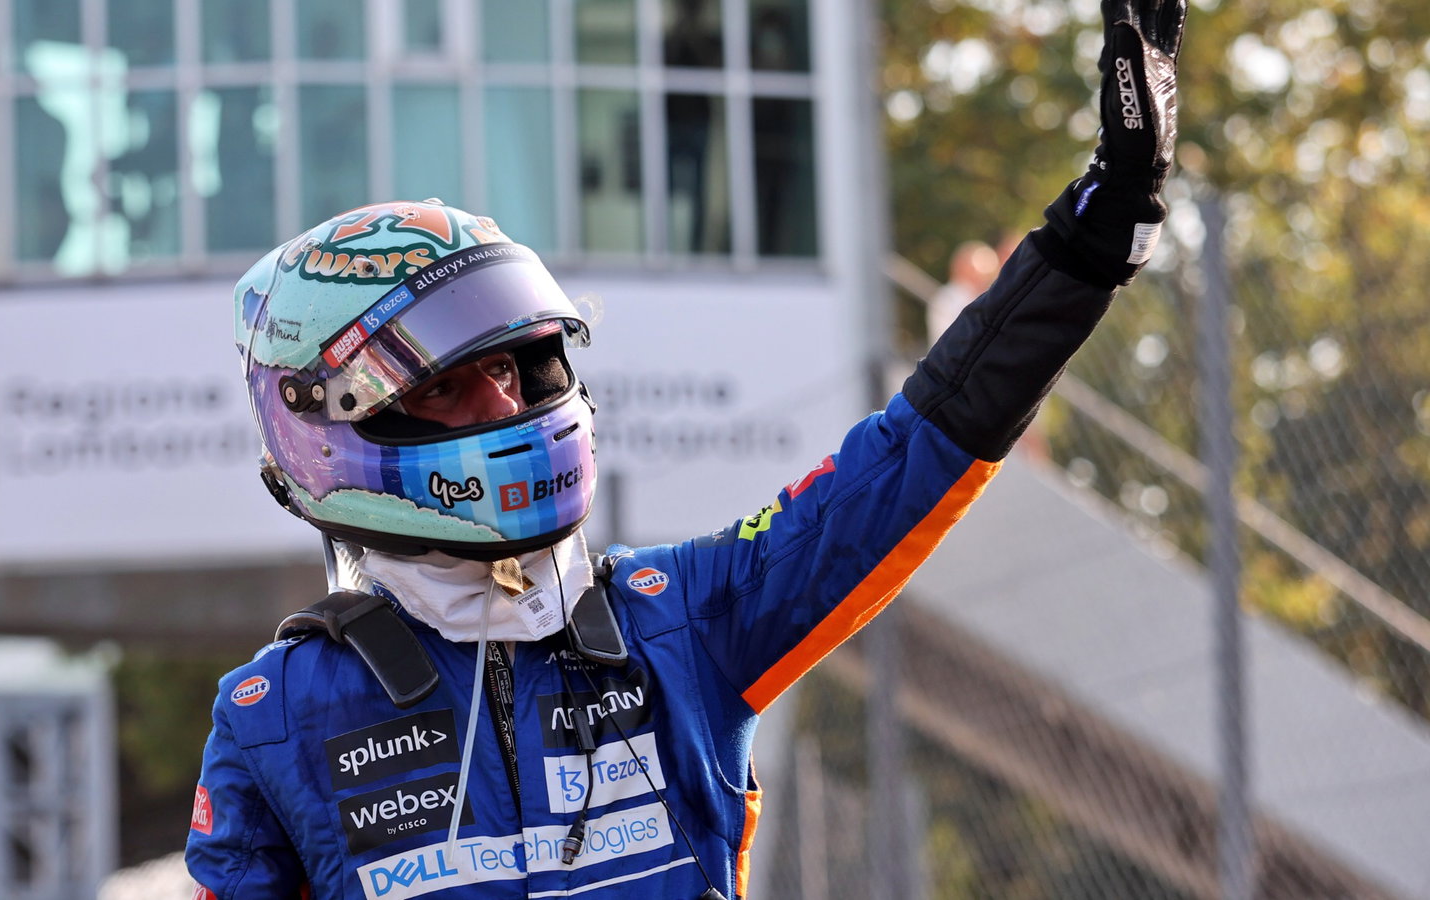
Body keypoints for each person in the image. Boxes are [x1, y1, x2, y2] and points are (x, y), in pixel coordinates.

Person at [186, 1, 1186, 897]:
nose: (505, 399)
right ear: (338, 429)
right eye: (448, 384)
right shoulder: (273, 717)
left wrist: (1100, 229)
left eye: (518, 365)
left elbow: (918, 444)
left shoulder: (684, 623)